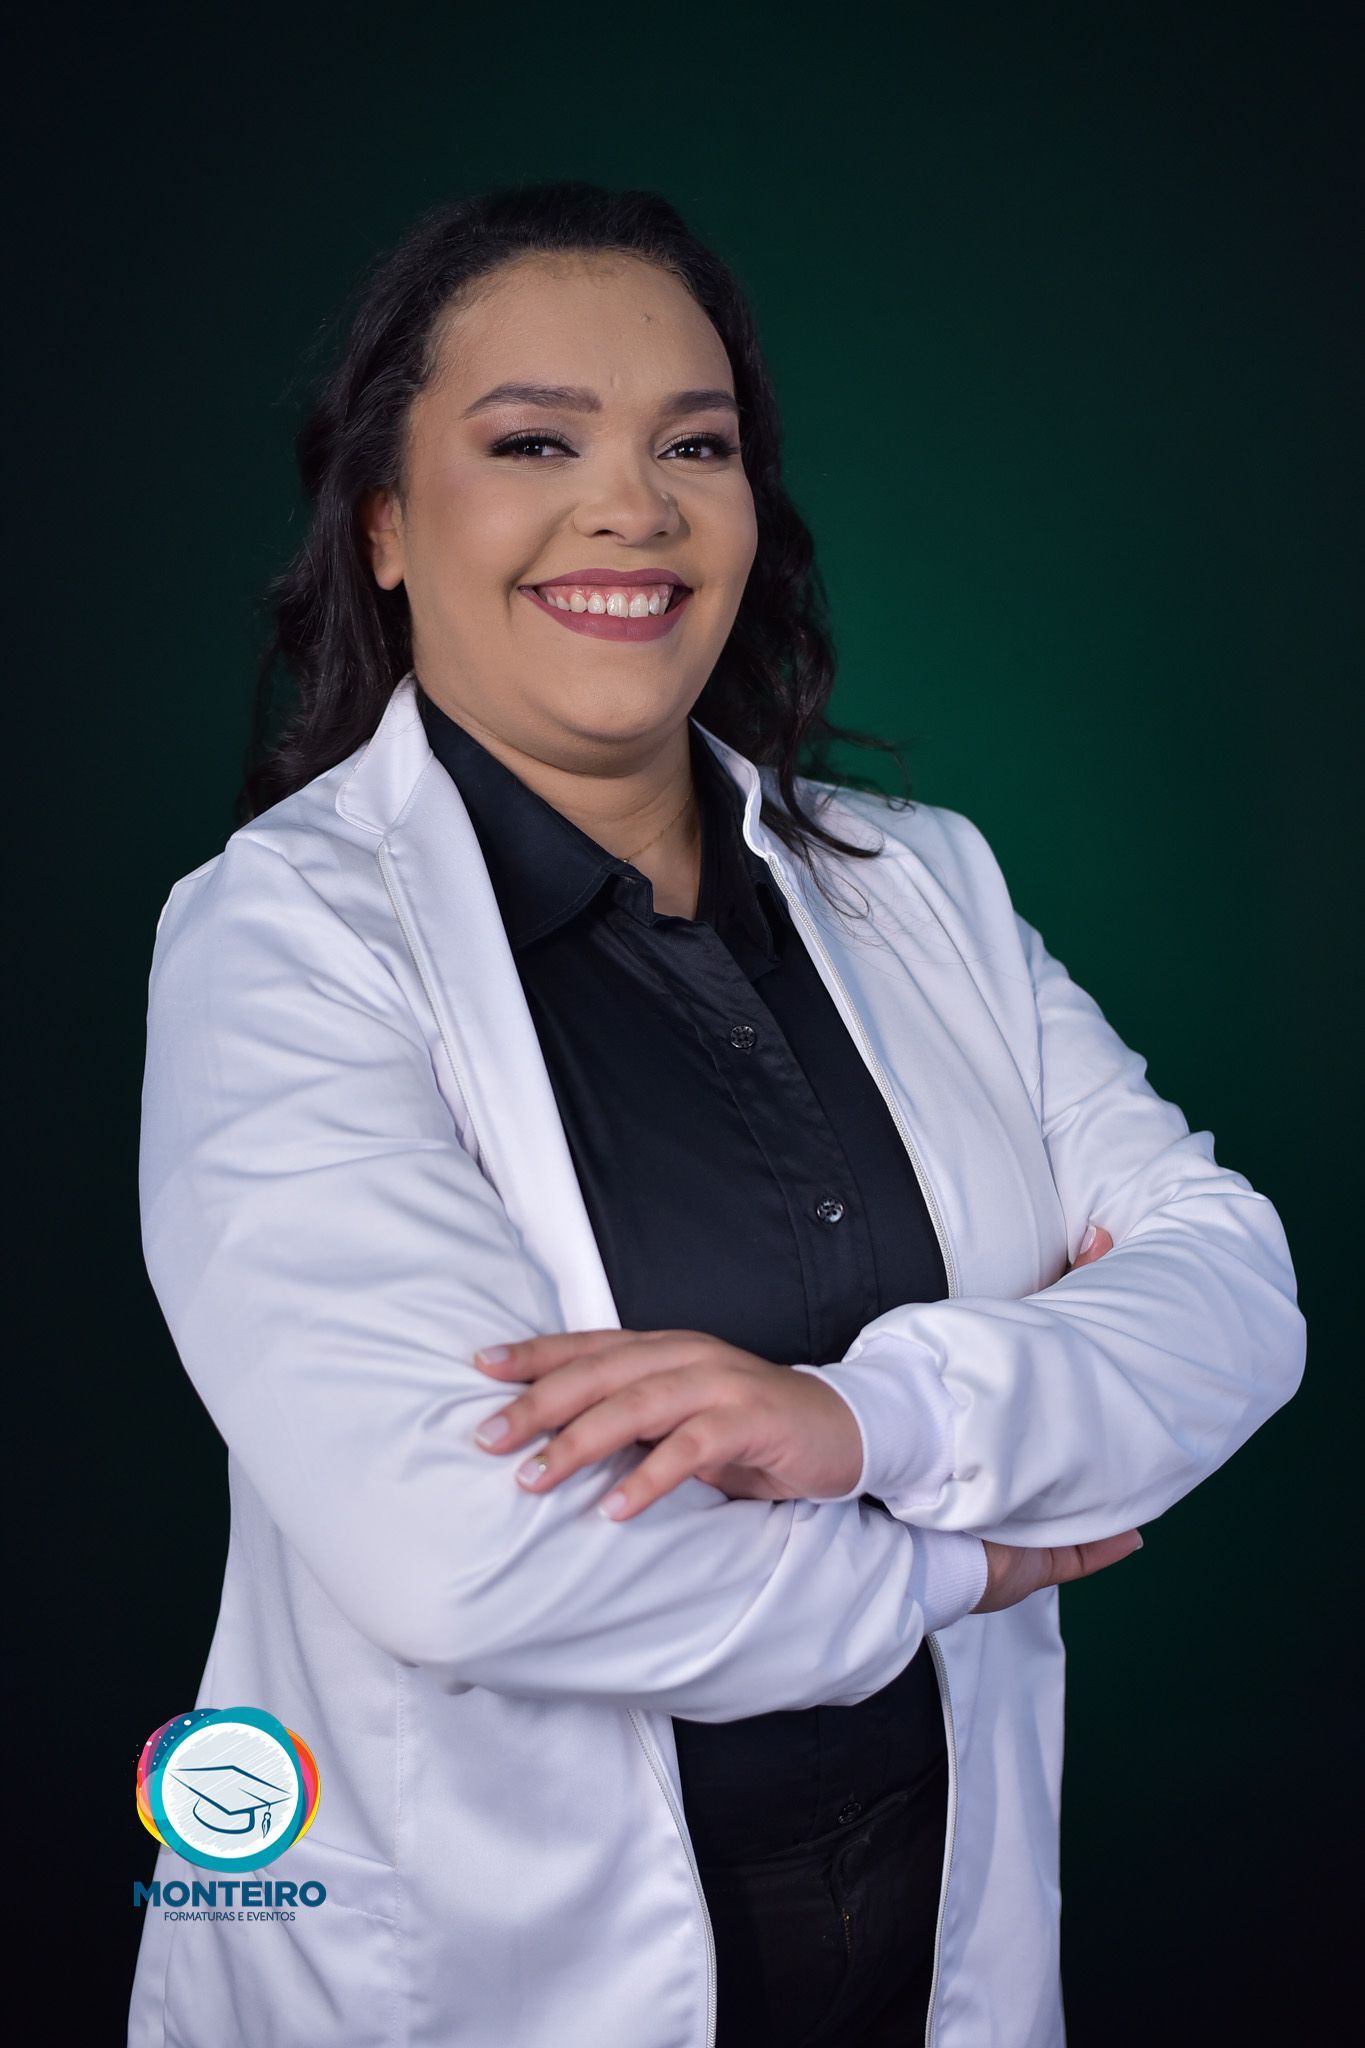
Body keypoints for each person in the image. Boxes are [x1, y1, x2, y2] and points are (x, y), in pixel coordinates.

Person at [128, 181, 1306, 2048]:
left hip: (929, 1940)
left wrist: (857, 1422)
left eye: (695, 445)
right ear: (382, 525)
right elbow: (465, 1549)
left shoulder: (925, 887)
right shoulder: (281, 938)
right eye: (534, 442)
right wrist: (962, 1558)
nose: (634, 507)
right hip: (480, 1981)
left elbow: (1231, 1291)